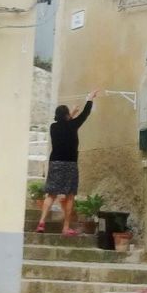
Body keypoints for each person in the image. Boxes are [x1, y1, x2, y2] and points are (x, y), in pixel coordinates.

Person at [38, 91, 98, 235]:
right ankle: (65, 227)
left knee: (51, 194)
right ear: (67, 115)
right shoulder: (72, 126)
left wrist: (71, 113)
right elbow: (85, 114)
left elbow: (65, 123)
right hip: (70, 163)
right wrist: (89, 99)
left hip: (55, 163)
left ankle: (41, 222)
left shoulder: (53, 127)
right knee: (70, 195)